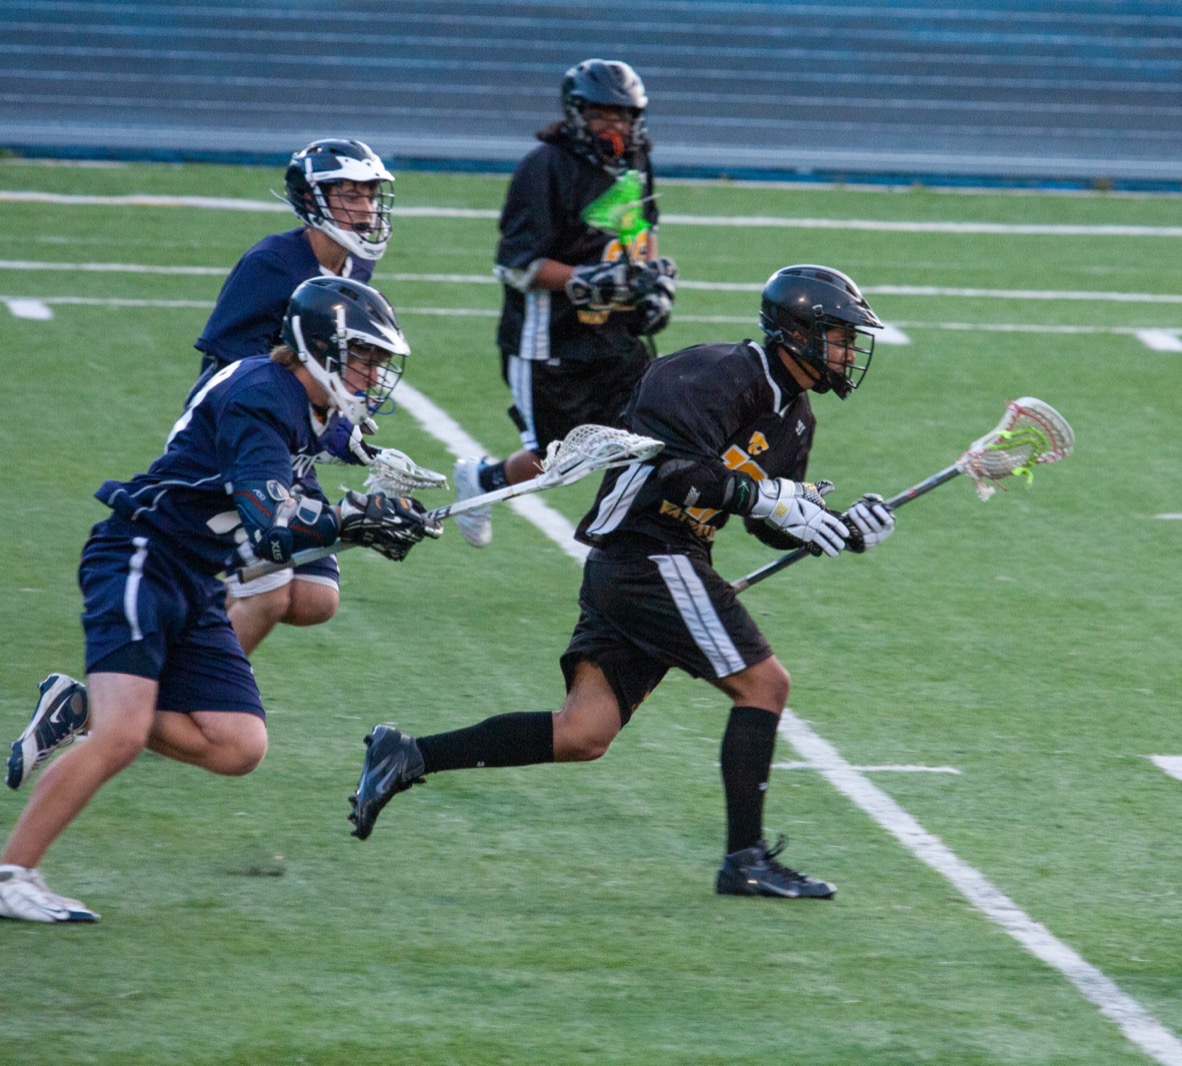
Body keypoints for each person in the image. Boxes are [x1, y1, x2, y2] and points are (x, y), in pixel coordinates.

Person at [347, 265, 896, 901]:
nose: (849, 352)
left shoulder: (795, 418)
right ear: (799, 332)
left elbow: (768, 522)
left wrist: (839, 527)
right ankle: (743, 859)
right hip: (647, 552)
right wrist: (770, 500)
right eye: (839, 337)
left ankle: (407, 754)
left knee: (583, 732)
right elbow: (674, 472)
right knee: (765, 684)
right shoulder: (714, 373)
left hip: (660, 559)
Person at [0, 277, 439, 923]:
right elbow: (273, 526)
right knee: (120, 738)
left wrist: (383, 501)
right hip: (142, 558)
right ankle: (14, 873)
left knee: (238, 744)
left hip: (196, 579)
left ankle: (83, 704)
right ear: (317, 347)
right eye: (363, 356)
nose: (373, 373)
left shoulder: (301, 395)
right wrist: (352, 518)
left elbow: (323, 445)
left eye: (378, 360)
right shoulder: (262, 396)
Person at [451, 58, 677, 549]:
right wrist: (585, 280)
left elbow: (640, 228)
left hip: (613, 335)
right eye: (602, 114)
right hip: (549, 339)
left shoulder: (633, 160)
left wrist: (647, 284)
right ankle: (485, 481)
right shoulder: (545, 167)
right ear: (576, 113)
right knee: (561, 458)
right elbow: (517, 265)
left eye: (623, 116)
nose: (614, 126)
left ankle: (640, 544)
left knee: (653, 432)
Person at [194, 138, 397, 655]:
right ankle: (201, 688)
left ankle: (192, 639)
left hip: (294, 439)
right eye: (349, 195)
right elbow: (230, 370)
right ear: (312, 199)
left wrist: (342, 416)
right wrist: (330, 427)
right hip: (243, 438)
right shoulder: (271, 263)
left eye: (370, 195)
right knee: (271, 589)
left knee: (316, 597)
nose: (365, 208)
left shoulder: (354, 267)